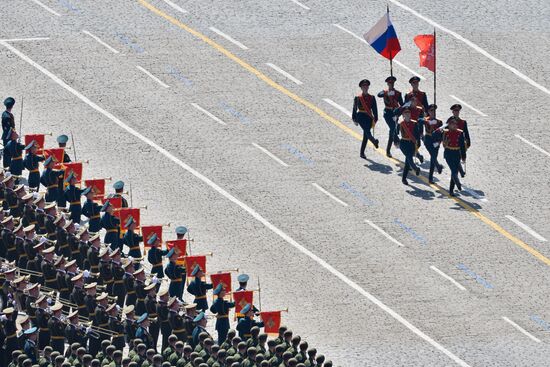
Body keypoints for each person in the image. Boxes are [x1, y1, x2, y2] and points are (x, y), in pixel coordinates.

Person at [435, 118, 467, 196]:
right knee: (453, 170)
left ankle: (451, 190)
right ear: (449, 125)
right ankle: (458, 183)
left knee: (454, 172)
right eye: (452, 124)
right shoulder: (445, 132)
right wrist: (440, 129)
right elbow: (435, 135)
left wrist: (463, 156)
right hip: (448, 153)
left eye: (455, 124)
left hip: (456, 153)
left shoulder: (460, 133)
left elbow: (462, 146)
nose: (454, 126)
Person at [352, 79, 379, 159]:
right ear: (361, 88)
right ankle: (374, 141)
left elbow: (375, 109)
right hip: (360, 116)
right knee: (367, 131)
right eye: (364, 86)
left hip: (369, 117)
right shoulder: (358, 98)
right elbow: (354, 109)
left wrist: (375, 119)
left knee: (366, 135)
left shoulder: (372, 97)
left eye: (366, 86)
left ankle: (362, 153)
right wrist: (354, 118)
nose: (365, 87)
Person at [377, 76, 403, 157]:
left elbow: (402, 106)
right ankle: (396, 140)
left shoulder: (398, 93)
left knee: (392, 131)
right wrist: (387, 93)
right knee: (393, 128)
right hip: (387, 113)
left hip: (395, 113)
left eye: (392, 83)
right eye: (389, 83)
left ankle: (388, 150)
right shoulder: (385, 91)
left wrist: (398, 115)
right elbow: (379, 95)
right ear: (387, 84)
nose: (391, 84)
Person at [397, 106, 422, 185]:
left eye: (408, 113)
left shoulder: (414, 123)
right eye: (405, 113)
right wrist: (395, 141)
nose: (407, 114)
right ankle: (415, 168)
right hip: (403, 143)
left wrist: (418, 143)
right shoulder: (401, 124)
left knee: (407, 162)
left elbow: (417, 135)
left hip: (411, 144)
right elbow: (395, 133)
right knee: (409, 157)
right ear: (403, 115)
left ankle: (404, 179)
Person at [420, 104, 443, 183]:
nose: (433, 112)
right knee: (433, 156)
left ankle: (430, 178)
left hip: (436, 141)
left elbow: (442, 134)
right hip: (428, 140)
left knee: (433, 158)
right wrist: (427, 121)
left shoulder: (439, 122)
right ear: (428, 112)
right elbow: (418, 121)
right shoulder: (426, 119)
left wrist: (439, 142)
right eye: (431, 111)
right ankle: (438, 167)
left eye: (434, 111)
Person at [447, 104, 470, 177]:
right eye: (455, 111)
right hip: (452, 144)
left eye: (457, 111)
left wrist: (468, 142)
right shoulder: (449, 121)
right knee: (455, 161)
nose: (456, 112)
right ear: (452, 112)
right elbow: (445, 131)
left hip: (460, 144)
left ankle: (459, 173)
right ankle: (460, 172)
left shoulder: (463, 122)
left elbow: (466, 133)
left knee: (458, 158)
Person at [2, 97, 16, 168]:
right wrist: (14, 135)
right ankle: (6, 167)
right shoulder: (7, 116)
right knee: (7, 153)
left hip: (10, 136)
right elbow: (8, 129)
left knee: (9, 153)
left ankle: (9, 166)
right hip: (8, 137)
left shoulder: (7, 114)